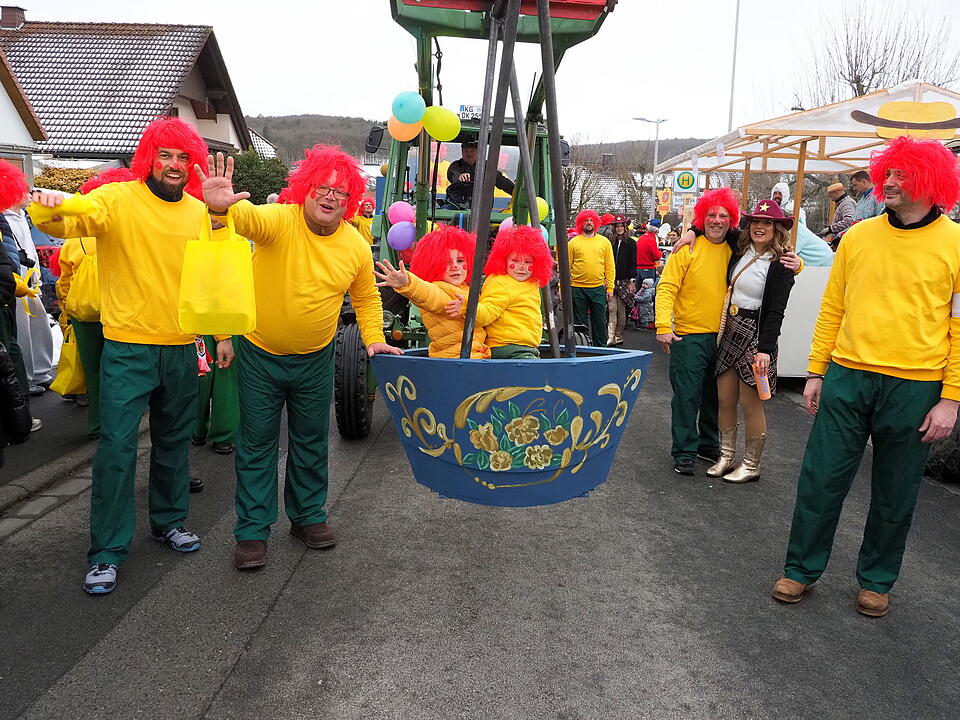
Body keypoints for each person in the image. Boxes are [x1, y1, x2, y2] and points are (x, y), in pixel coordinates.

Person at [772, 136, 960, 619]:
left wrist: (951, 399)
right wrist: (816, 371)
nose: (889, 183)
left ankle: (877, 580)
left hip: (916, 386)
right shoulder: (858, 237)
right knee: (820, 478)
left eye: (902, 175)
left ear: (932, 181)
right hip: (848, 375)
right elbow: (831, 307)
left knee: (896, 489)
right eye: (888, 174)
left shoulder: (956, 245)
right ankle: (801, 568)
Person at [31, 117, 214, 595]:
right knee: (116, 448)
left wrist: (212, 335)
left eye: (182, 157)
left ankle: (169, 521)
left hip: (179, 346)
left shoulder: (196, 212)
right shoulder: (118, 199)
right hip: (128, 347)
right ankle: (107, 551)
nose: (174, 165)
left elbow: (206, 278)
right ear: (149, 156)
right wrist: (51, 206)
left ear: (191, 163)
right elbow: (72, 218)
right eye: (166, 155)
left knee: (174, 443)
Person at [198, 146, 402, 571]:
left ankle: (308, 516)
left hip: (315, 358)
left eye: (339, 193)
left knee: (311, 442)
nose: (329, 197)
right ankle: (253, 531)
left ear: (349, 202)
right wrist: (221, 211)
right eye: (321, 188)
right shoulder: (280, 220)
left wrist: (374, 339)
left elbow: (365, 298)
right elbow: (248, 217)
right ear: (305, 189)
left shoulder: (356, 246)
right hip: (260, 354)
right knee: (256, 444)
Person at [707, 200, 796, 483]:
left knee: (750, 403)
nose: (760, 227)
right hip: (730, 329)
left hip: (757, 337)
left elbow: (776, 312)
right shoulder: (740, 249)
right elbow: (712, 225)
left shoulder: (782, 264)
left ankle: (751, 464)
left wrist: (765, 350)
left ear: (777, 228)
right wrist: (688, 233)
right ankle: (726, 456)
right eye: (756, 221)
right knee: (724, 398)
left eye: (767, 222)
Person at [656, 189, 738, 475]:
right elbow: (666, 287)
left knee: (716, 395)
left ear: (731, 219)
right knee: (687, 395)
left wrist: (798, 264)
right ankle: (684, 450)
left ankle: (707, 443)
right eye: (712, 215)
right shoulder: (686, 248)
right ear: (703, 218)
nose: (717, 221)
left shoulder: (734, 249)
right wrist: (663, 326)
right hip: (689, 336)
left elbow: (772, 259)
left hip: (724, 336)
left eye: (723, 216)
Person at [56, 168, 136, 438]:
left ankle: (97, 424)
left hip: (83, 313)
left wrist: (65, 308)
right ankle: (121, 424)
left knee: (93, 372)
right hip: (119, 312)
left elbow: (64, 280)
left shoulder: (74, 239)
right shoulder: (125, 233)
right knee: (121, 373)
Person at [374, 225, 489, 359]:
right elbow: (427, 294)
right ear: (434, 265)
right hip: (456, 358)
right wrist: (408, 283)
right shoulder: (438, 289)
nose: (455, 267)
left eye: (460, 260)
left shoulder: (467, 288)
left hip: (475, 354)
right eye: (446, 262)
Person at [445, 224, 553, 359]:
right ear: (504, 259)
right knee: (535, 375)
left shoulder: (530, 283)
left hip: (526, 346)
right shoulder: (500, 283)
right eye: (515, 260)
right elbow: (488, 312)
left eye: (527, 262)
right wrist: (468, 308)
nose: (521, 267)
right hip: (507, 347)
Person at [4, 193, 54, 395]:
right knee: (23, 330)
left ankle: (41, 371)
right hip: (17, 284)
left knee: (39, 326)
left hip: (31, 282)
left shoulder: (22, 217)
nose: (29, 195)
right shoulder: (6, 219)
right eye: (23, 191)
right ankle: (28, 376)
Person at [568, 209, 614, 347]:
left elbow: (610, 266)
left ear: (596, 223)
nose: (589, 223)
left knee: (599, 321)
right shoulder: (573, 243)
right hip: (577, 288)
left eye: (591, 220)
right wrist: (561, 288)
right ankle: (582, 348)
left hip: (598, 288)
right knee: (580, 323)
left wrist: (610, 288)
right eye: (586, 220)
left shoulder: (604, 242)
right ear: (581, 223)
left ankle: (601, 350)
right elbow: (565, 268)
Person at [770, 182, 834, 267]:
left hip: (819, 258)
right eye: (775, 193)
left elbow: (789, 251)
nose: (777, 196)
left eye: (780, 193)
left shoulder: (794, 222)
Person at [606, 214, 636, 346]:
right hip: (611, 280)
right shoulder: (609, 242)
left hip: (625, 280)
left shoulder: (631, 243)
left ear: (625, 227)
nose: (619, 228)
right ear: (614, 228)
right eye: (616, 226)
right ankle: (610, 336)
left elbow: (633, 262)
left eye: (621, 226)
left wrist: (632, 281)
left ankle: (619, 335)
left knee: (621, 310)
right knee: (612, 308)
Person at [446, 140, 515, 196]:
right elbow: (452, 174)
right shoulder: (456, 165)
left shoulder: (487, 167)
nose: (469, 154)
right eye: (466, 151)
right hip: (457, 204)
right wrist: (459, 177)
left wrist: (515, 191)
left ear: (478, 152)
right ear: (462, 152)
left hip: (482, 207)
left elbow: (502, 182)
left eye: (472, 151)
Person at [819, 181, 855, 246]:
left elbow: (849, 221)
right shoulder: (843, 203)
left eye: (831, 196)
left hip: (846, 241)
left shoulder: (846, 203)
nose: (831, 199)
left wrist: (830, 229)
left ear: (836, 193)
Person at [635, 218, 662, 285]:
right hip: (648, 269)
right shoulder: (651, 240)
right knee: (648, 292)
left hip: (638, 268)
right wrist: (660, 253)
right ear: (657, 230)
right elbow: (657, 256)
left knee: (638, 292)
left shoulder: (641, 238)